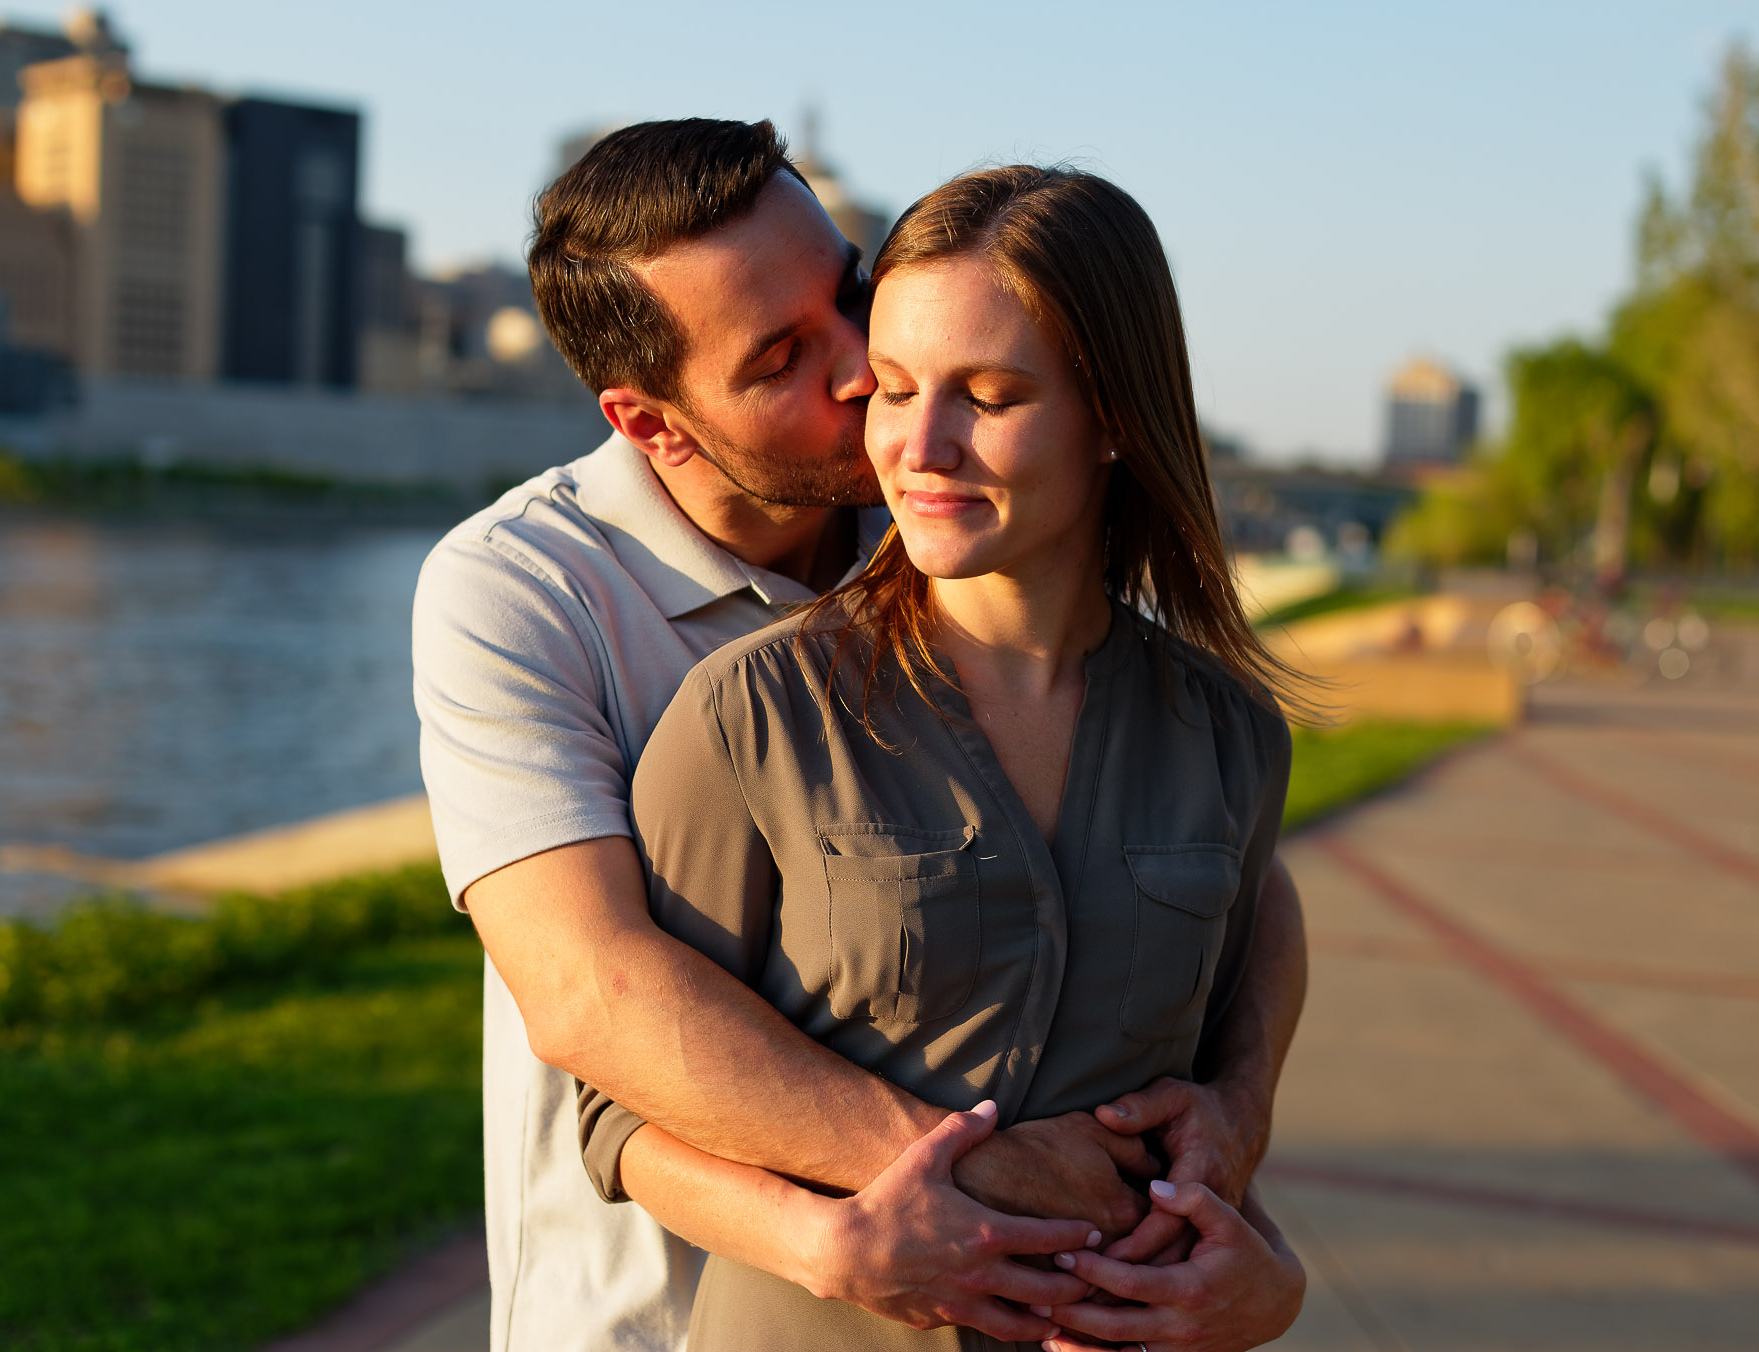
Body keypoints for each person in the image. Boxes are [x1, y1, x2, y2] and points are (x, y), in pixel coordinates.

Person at [413, 119, 1308, 1352]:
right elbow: (591, 990)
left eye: (847, 293)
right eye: (782, 355)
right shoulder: (525, 591)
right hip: (650, 1316)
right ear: (654, 423)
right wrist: (983, 1178)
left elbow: (1224, 873)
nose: (861, 369)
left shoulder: (959, 533)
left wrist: (1237, 1128)